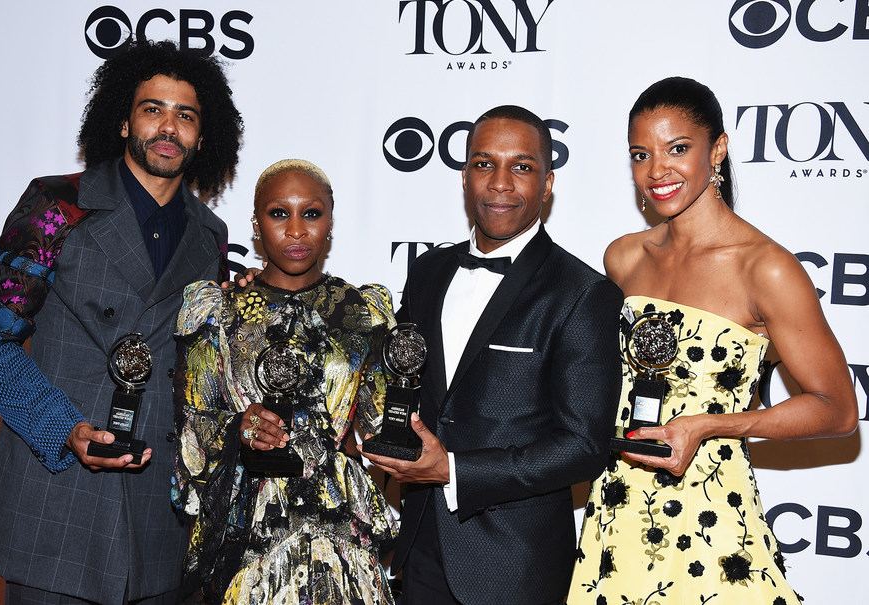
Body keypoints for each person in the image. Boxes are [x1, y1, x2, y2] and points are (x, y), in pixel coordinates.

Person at [0, 40, 242, 604]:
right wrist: (63, 428)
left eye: (186, 115)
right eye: (152, 109)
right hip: (58, 499)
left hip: (159, 513)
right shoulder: (58, 204)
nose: (169, 126)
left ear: (203, 136)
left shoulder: (209, 236)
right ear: (121, 121)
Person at [568, 77, 858, 604]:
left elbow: (836, 410)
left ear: (717, 149)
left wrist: (709, 425)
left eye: (677, 149)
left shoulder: (765, 268)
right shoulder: (622, 257)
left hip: (709, 510)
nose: (657, 171)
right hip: (616, 508)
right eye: (641, 154)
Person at [361, 105, 624, 605]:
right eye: (484, 164)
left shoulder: (583, 293)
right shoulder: (429, 272)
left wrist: (455, 471)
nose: (499, 182)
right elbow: (394, 371)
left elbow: (584, 445)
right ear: (464, 177)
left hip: (513, 569)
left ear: (547, 184)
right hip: (417, 547)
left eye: (521, 166)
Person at [172, 159, 399, 604]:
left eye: (311, 213)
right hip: (248, 530)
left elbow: (378, 429)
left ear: (330, 223)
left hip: (341, 533)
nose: (296, 230)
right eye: (279, 214)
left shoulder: (362, 312)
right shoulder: (217, 310)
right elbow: (191, 430)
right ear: (256, 224)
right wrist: (239, 428)